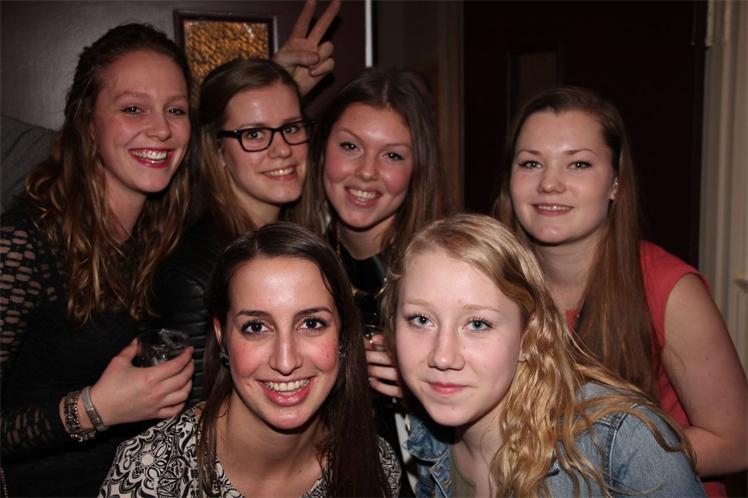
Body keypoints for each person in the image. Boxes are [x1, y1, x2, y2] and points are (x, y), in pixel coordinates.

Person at [492, 86, 747, 495]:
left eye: (578, 164)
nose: (549, 183)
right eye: (531, 163)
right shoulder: (490, 284)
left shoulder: (668, 289)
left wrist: (587, 457)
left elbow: (735, 443)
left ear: (615, 183)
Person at [0, 24, 194, 496]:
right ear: (88, 122)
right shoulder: (23, 246)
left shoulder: (158, 233)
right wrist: (94, 409)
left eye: (176, 110)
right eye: (133, 109)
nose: (162, 128)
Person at [384, 213, 705, 497]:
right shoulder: (429, 433)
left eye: (478, 324)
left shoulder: (623, 443)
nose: (443, 357)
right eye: (421, 320)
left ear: (529, 336)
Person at [100, 222, 401, 497]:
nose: (285, 361)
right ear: (222, 335)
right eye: (256, 327)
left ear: (343, 333)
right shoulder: (153, 471)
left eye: (311, 323)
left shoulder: (375, 466)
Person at [153, 0, 340, 405]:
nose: (282, 150)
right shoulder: (195, 275)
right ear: (218, 152)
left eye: (291, 127)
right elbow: (192, 418)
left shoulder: (304, 240)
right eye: (254, 134)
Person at [299, 67, 453, 494]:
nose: (367, 172)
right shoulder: (301, 262)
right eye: (350, 146)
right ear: (321, 150)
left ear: (418, 168)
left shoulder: (449, 273)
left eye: (392, 156)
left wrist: (426, 385)